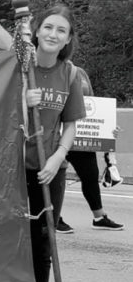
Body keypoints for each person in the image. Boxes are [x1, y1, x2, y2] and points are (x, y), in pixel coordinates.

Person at [0, 4, 85, 282]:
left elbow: (71, 124)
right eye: (48, 27)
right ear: (37, 32)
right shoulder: (19, 68)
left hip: (50, 170)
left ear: (67, 39)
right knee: (10, 244)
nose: (53, 34)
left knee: (42, 247)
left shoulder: (70, 74)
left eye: (61, 30)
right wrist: (21, 98)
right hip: (13, 168)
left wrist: (58, 157)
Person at [54, 65, 123, 233]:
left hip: (80, 134)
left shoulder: (79, 72)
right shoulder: (49, 70)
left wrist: (106, 127)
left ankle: (99, 217)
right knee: (56, 177)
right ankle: (54, 217)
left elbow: (92, 103)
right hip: (57, 131)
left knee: (91, 175)